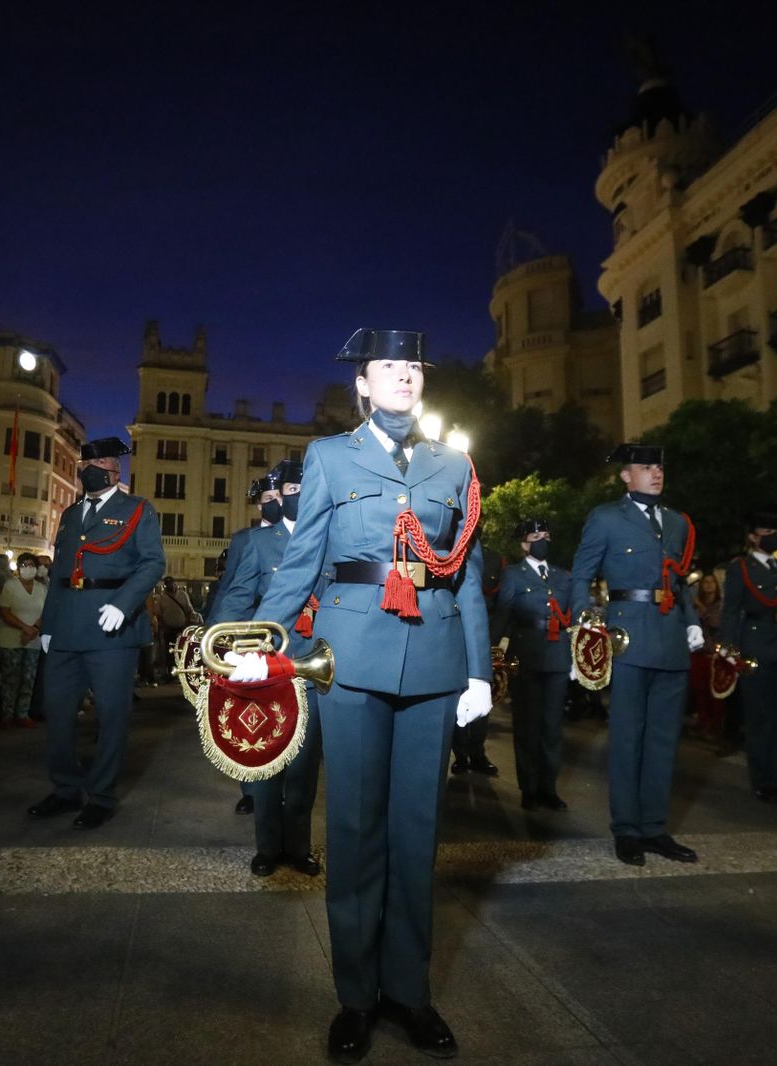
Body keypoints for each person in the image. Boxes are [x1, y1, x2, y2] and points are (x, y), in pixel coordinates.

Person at [233, 329, 490, 1062]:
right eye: (389, 367)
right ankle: (356, 997)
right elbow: (303, 560)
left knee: (418, 833)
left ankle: (409, 994)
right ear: (363, 385)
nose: (405, 377)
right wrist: (266, 641)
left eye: (413, 367)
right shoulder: (328, 457)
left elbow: (465, 570)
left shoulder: (454, 463)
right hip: (348, 656)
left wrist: (476, 669)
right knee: (351, 830)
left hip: (436, 657)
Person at [570, 443, 705, 867]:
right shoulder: (607, 517)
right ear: (626, 476)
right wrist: (583, 632)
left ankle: (654, 828)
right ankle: (626, 829)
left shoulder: (677, 522)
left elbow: (679, 580)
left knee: (663, 741)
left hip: (669, 639)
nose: (656, 473)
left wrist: (692, 619)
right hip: (626, 637)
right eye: (645, 467)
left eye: (659, 466)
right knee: (628, 738)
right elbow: (581, 575)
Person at [29, 436, 165, 830]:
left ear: (114, 469)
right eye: (87, 462)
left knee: (111, 716)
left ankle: (102, 795)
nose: (91, 468)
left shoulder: (137, 509)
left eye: (101, 461)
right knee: (56, 714)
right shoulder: (71, 515)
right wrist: (49, 625)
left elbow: (153, 563)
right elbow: (58, 574)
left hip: (111, 629)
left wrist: (124, 604)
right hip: (68, 625)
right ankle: (65, 788)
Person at [208, 459, 324, 876]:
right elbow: (235, 598)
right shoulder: (259, 543)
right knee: (265, 761)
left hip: (312, 669)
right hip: (267, 669)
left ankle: (298, 848)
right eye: (290, 490)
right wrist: (223, 644)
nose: (297, 498)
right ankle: (267, 848)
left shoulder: (332, 539)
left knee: (304, 768)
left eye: (304, 490)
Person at [720, 512, 777, 803]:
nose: (772, 534)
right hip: (755, 645)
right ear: (752, 536)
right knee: (759, 717)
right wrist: (729, 648)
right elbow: (732, 610)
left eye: (776, 529)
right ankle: (762, 779)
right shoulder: (741, 568)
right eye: (766, 530)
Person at [491, 517, 573, 811]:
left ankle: (548, 788)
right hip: (526, 655)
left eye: (546, 535)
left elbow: (573, 617)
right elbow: (504, 614)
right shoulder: (513, 574)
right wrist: (491, 653)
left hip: (558, 655)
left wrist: (577, 657)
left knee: (552, 726)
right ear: (524, 542)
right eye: (537, 535)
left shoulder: (564, 576)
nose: (543, 541)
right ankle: (528, 787)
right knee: (527, 724)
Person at [214, 477, 272, 815]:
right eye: (268, 497)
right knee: (248, 715)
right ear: (258, 503)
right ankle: (250, 790)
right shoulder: (244, 539)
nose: (274, 501)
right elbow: (229, 587)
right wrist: (217, 633)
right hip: (247, 638)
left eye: (281, 495)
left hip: (284, 639)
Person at [452, 545, 502, 773]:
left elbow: (500, 601)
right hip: (453, 627)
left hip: (481, 631)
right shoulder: (454, 545)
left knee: (481, 699)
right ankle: (460, 754)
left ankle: (478, 753)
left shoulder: (495, 559)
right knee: (456, 697)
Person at [0, 552, 46, 728]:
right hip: (11, 639)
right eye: (24, 565)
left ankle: (23, 713)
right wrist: (25, 628)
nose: (29, 568)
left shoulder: (41, 589)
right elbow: (4, 611)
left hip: (33, 640)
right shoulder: (10, 585)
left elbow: (45, 612)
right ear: (18, 568)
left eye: (31, 565)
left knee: (28, 678)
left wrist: (34, 630)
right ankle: (8, 713)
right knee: (10, 678)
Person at [687, 572, 726, 739]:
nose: (709, 585)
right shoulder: (695, 606)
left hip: (713, 654)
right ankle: (703, 721)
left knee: (715, 692)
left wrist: (702, 609)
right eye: (706, 582)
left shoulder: (720, 605)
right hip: (698, 652)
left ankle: (716, 724)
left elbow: (716, 623)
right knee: (700, 689)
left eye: (712, 582)